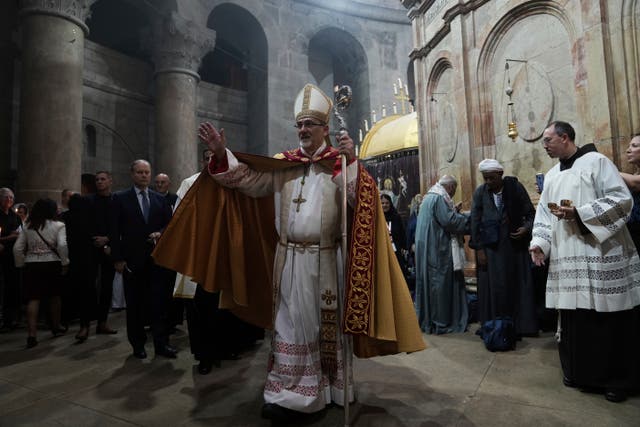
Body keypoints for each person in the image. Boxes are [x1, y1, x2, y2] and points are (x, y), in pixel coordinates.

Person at [153, 83, 425, 422]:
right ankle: (287, 393)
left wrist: (351, 164)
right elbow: (248, 181)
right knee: (288, 326)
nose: (303, 130)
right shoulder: (284, 164)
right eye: (299, 125)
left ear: (325, 129)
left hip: (327, 259)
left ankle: (328, 390)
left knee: (321, 329)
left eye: (310, 124)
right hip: (289, 259)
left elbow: (363, 201)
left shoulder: (337, 163)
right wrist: (222, 155)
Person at [529, 121, 640, 402]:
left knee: (608, 317)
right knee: (576, 316)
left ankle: (618, 380)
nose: (544, 145)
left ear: (565, 138)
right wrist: (539, 243)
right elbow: (543, 214)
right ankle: (581, 373)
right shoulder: (552, 175)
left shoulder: (597, 162)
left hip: (601, 253)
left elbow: (622, 200)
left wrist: (580, 214)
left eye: (548, 140)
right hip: (568, 256)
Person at [110, 160, 174, 359]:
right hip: (132, 260)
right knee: (135, 305)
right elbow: (113, 231)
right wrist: (118, 259)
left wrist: (160, 232)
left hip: (156, 260)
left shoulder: (158, 199)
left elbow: (169, 225)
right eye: (140, 172)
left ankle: (161, 344)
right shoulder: (120, 198)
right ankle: (138, 345)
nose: (144, 175)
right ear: (132, 174)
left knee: (159, 304)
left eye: (147, 172)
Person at [470, 159, 538, 339]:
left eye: (491, 178)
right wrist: (479, 250)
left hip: (515, 248)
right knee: (495, 288)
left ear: (500, 174)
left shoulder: (515, 189)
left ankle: (520, 325)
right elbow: (474, 223)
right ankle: (495, 325)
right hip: (491, 251)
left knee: (517, 285)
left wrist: (526, 229)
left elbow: (531, 214)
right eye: (485, 179)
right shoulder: (480, 193)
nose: (488, 182)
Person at [414, 175, 470, 334]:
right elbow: (450, 222)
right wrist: (470, 218)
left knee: (430, 285)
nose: (454, 193)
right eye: (455, 189)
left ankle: (428, 320)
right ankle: (441, 322)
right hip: (437, 250)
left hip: (427, 248)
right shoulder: (439, 198)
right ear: (451, 187)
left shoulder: (429, 196)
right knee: (440, 286)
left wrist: (454, 212)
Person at [13, 198, 69, 348]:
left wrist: (21, 263)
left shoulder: (27, 225)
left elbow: (17, 248)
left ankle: (32, 334)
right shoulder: (59, 225)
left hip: (32, 265)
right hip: (52, 264)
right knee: (55, 297)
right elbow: (63, 245)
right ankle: (56, 327)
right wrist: (65, 263)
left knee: (34, 299)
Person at [0, 188, 22, 331]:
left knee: (11, 288)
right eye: (6, 197)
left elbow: (20, 232)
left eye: (12, 198)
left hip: (12, 256)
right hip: (1, 256)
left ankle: (10, 319)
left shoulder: (15, 217)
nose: (10, 200)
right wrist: (8, 237)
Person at [620, 133, 640, 252]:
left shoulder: (632, 179)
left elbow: (635, 183)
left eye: (634, 146)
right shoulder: (633, 175)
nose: (628, 150)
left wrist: (607, 168)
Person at [381, 193, 407, 275]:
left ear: (390, 204)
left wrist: (403, 247)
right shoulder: (377, 218)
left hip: (395, 250)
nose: (385, 205)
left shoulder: (396, 217)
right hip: (382, 251)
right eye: (382, 203)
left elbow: (402, 233)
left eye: (387, 203)